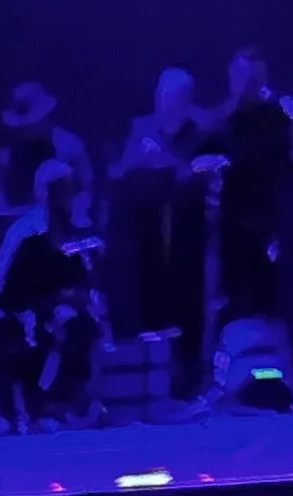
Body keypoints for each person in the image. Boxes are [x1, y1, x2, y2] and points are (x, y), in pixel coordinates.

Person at [0, 162, 104, 427]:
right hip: (24, 310)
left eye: (70, 190)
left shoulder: (77, 234)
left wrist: (79, 296)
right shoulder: (25, 234)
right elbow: (0, 290)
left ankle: (59, 402)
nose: (66, 198)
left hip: (62, 313)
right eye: (59, 190)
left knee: (76, 324)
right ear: (45, 193)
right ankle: (29, 408)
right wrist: (48, 301)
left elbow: (84, 281)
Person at [107, 67, 210, 349]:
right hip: (145, 231)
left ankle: (188, 364)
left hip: (188, 232)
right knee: (150, 295)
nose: (164, 104)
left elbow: (197, 174)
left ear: (187, 102)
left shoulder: (201, 131)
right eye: (161, 97)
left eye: (172, 99)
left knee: (188, 299)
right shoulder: (140, 128)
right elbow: (123, 173)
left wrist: (164, 158)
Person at [198, 45, 293, 320]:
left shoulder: (277, 116)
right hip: (232, 219)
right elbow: (201, 155)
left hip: (270, 216)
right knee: (236, 290)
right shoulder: (222, 120)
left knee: (268, 290)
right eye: (242, 76)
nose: (247, 83)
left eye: (254, 77)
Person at [0, 81, 94, 220]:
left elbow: (87, 190)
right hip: (20, 232)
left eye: (30, 122)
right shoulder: (6, 158)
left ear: (45, 116)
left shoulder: (71, 147)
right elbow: (0, 203)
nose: (24, 129)